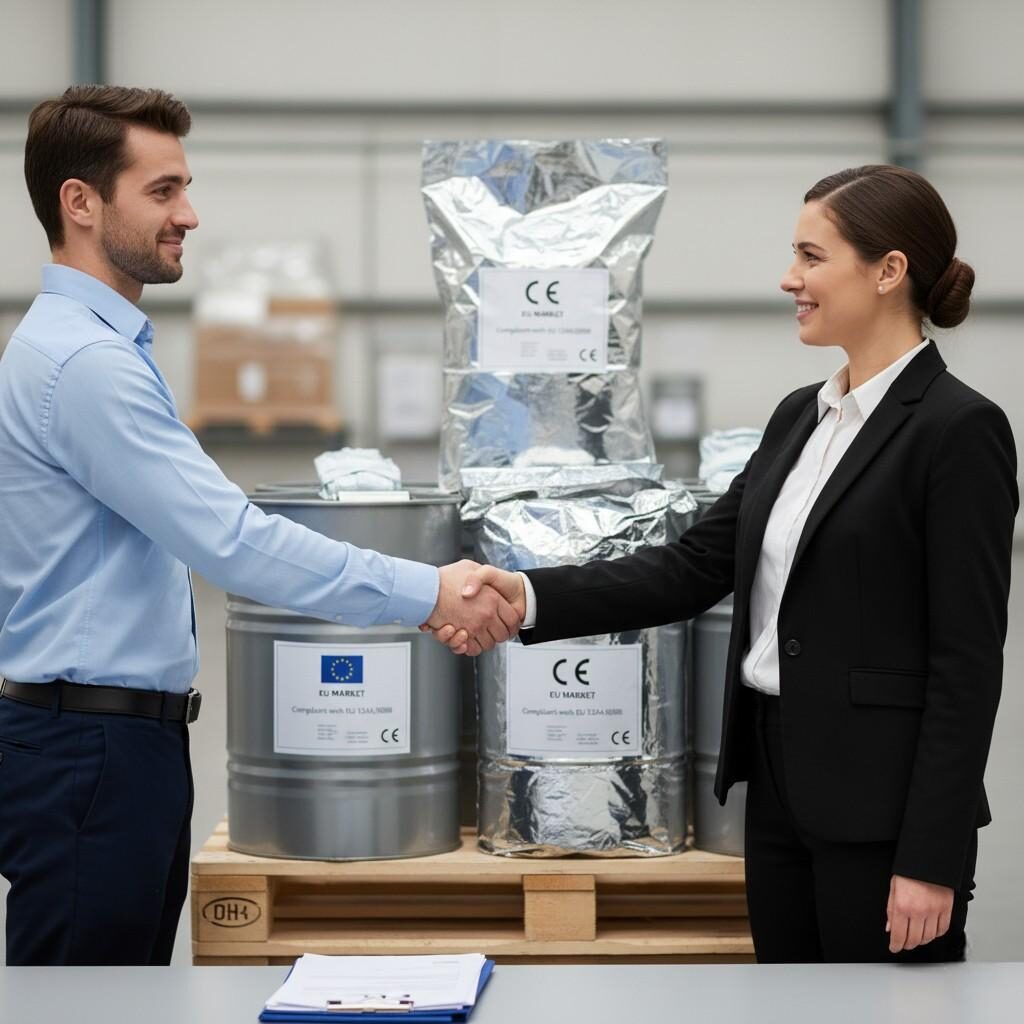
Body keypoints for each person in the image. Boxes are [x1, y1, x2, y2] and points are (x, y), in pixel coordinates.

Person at [436, 165, 1019, 963]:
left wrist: (930, 857)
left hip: (884, 817)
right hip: (777, 793)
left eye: (812, 257)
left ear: (889, 272)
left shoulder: (959, 431)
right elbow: (688, 567)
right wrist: (528, 594)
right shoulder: (799, 418)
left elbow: (968, 663)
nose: (790, 279)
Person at [0, 85, 519, 966]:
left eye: (184, 188)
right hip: (92, 754)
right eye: (162, 191)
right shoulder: (85, 364)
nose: (189, 215)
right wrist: (427, 590)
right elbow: (231, 541)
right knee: (83, 1003)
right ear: (79, 203)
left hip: (107, 743)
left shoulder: (86, 346)